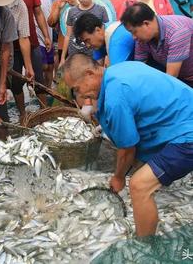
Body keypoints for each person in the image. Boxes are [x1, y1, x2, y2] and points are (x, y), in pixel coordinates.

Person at [63, 53, 193, 237]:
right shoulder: (118, 70)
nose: (80, 94)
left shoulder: (116, 98)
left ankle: (144, 247)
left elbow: (128, 149)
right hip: (181, 116)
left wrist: (118, 177)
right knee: (140, 172)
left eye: (77, 88)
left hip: (187, 134)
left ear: (90, 74)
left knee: (138, 186)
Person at [6, 0, 51, 118]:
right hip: (10, 50)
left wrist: (46, 35)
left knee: (38, 79)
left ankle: (44, 112)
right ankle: (22, 114)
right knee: (16, 83)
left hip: (30, 43)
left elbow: (37, 15)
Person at [121, 3, 193, 87]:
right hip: (173, 73)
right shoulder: (142, 38)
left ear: (146, 24)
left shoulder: (177, 32)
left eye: (134, 32)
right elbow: (139, 66)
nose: (133, 37)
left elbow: (171, 78)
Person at [60, 0, 109, 66]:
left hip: (94, 56)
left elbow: (105, 34)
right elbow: (68, 35)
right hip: (74, 55)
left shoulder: (101, 10)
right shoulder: (72, 11)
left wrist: (106, 56)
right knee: (63, 78)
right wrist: (63, 58)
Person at [48, 0, 77, 66]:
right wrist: (58, 8)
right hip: (62, 44)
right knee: (63, 76)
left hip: (80, 45)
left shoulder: (81, 1)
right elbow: (51, 23)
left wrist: (76, 4)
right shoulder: (58, 2)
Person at [33, 0, 55, 88]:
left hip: (49, 35)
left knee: (50, 66)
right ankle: (38, 90)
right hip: (38, 36)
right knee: (42, 66)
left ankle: (48, 90)